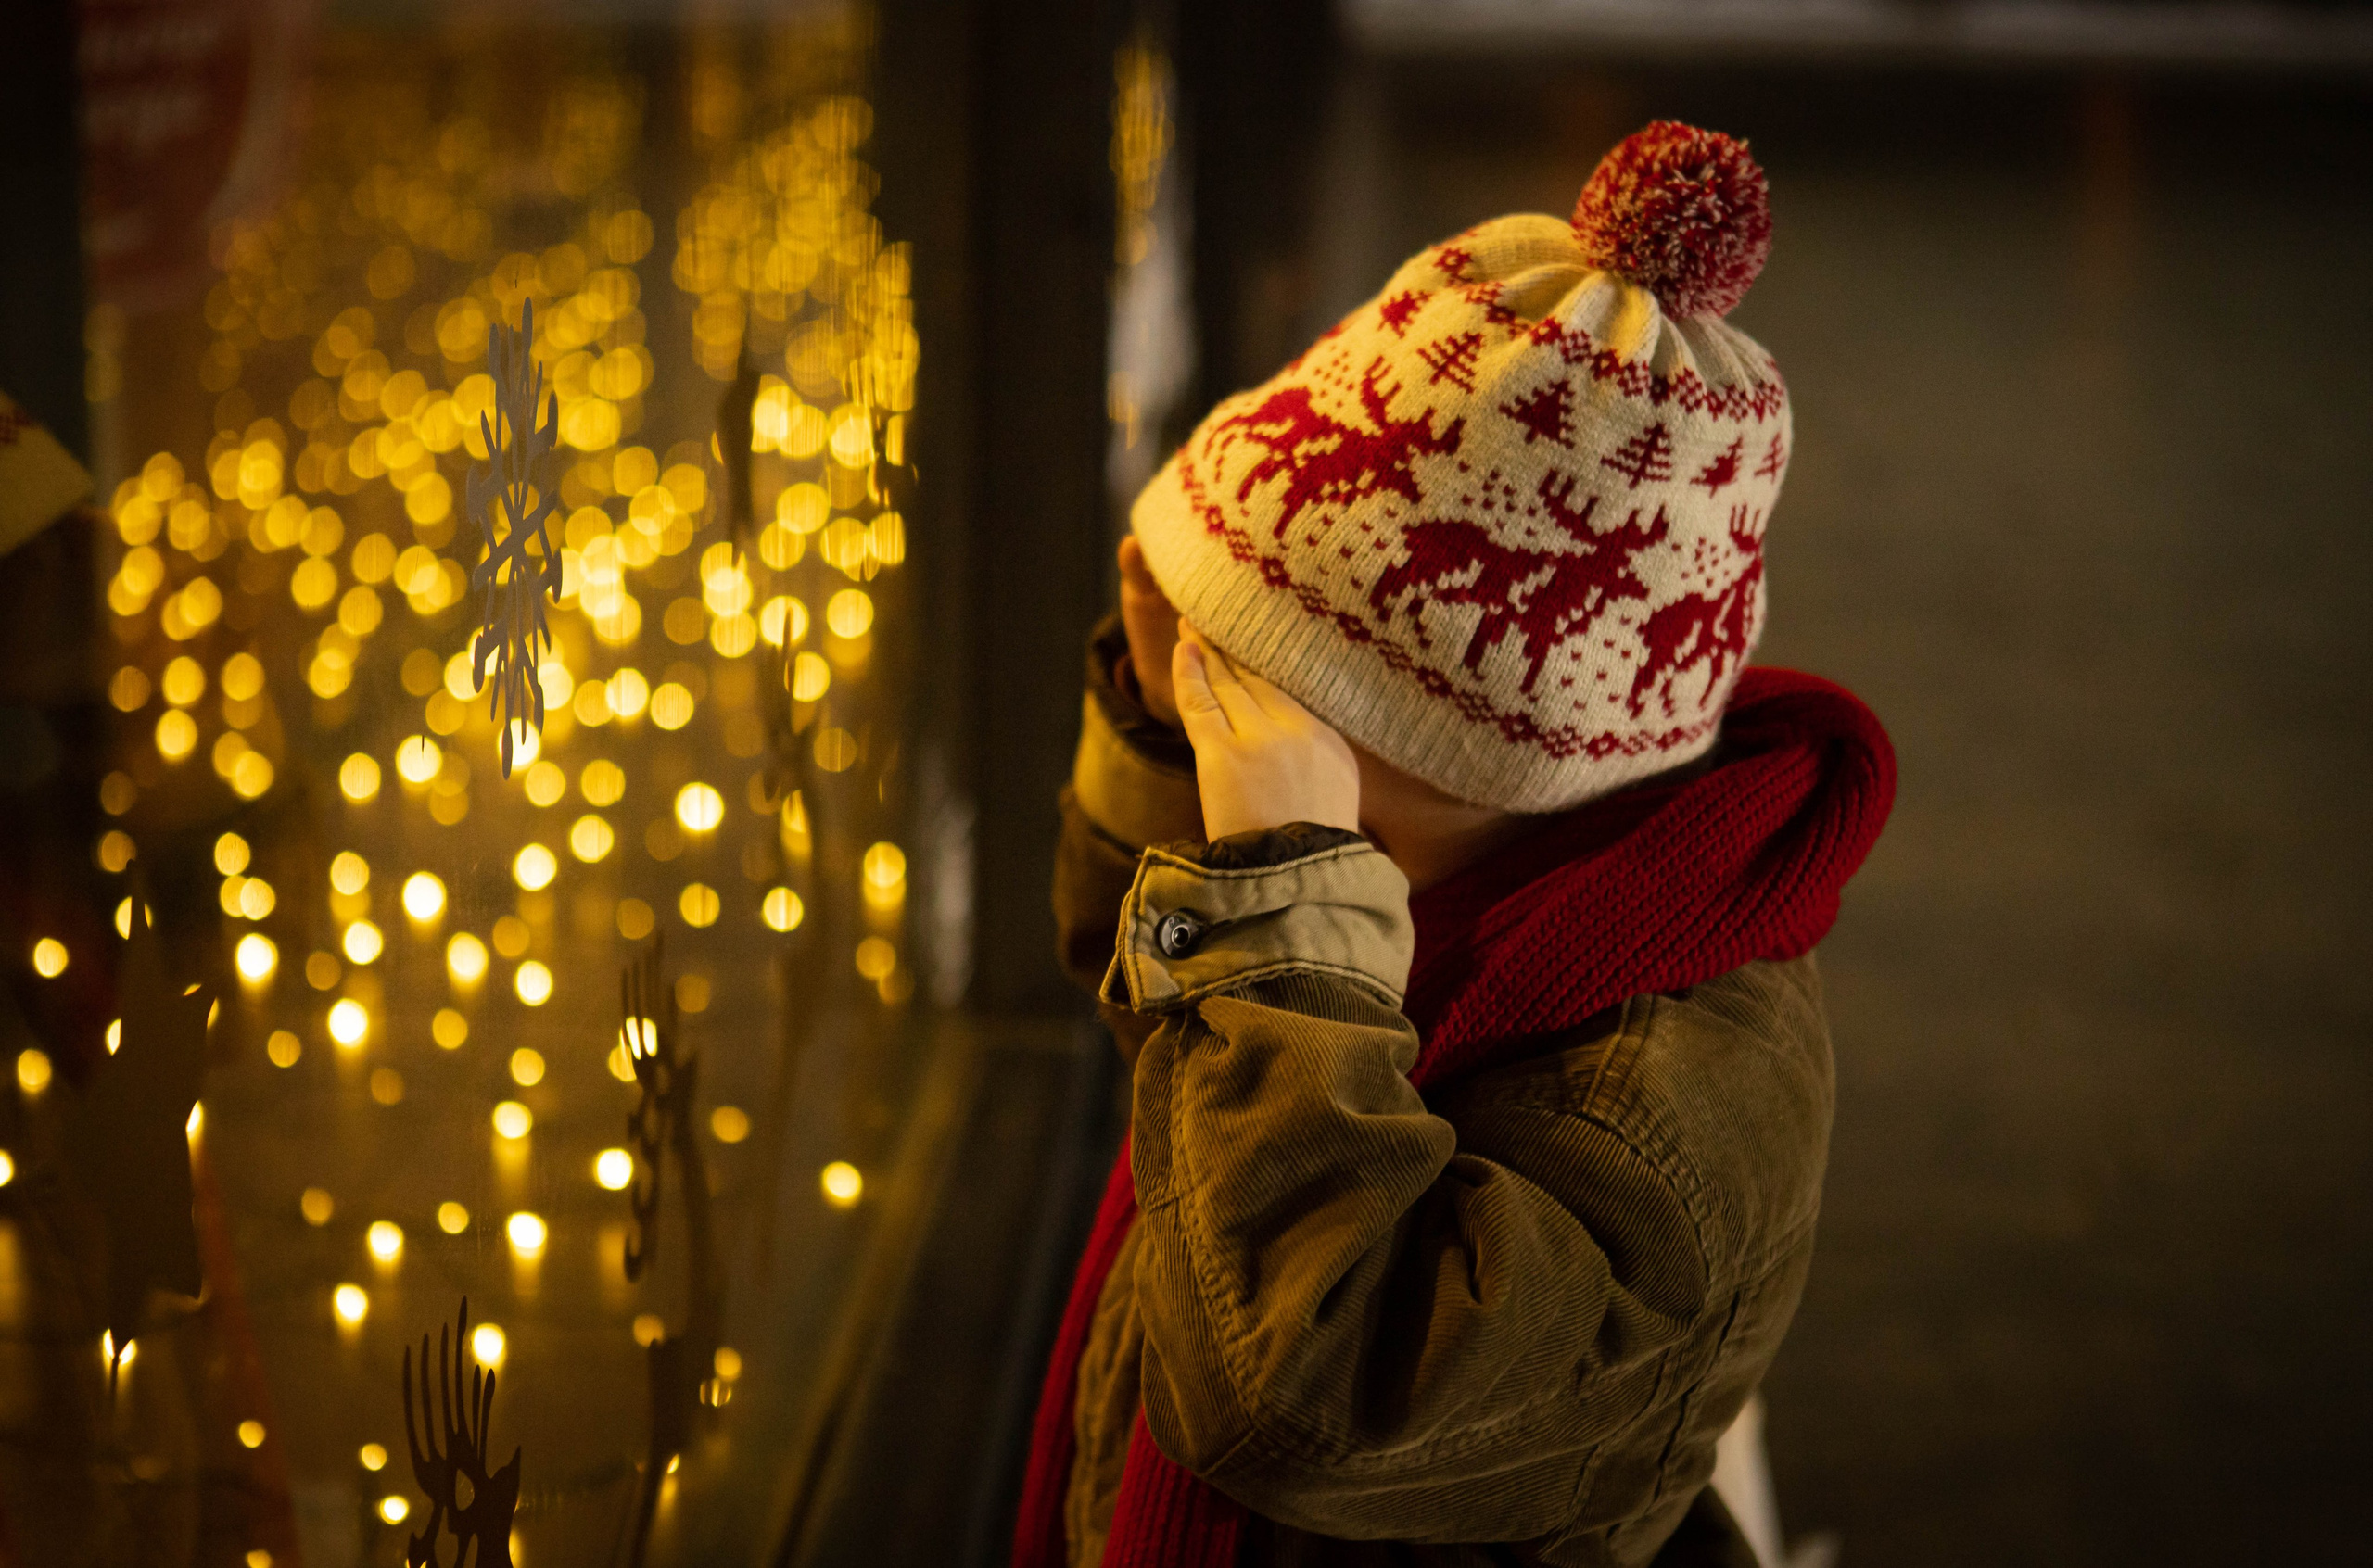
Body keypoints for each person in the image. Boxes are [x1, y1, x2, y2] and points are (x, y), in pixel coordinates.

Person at [1014, 122, 1897, 1568]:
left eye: (1256, 671)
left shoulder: (1659, 1115)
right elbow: (1179, 1041)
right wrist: (1170, 742)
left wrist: (1283, 890)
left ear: (1451, 742)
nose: (1212, 684)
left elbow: (1300, 1394)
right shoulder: (1442, 861)